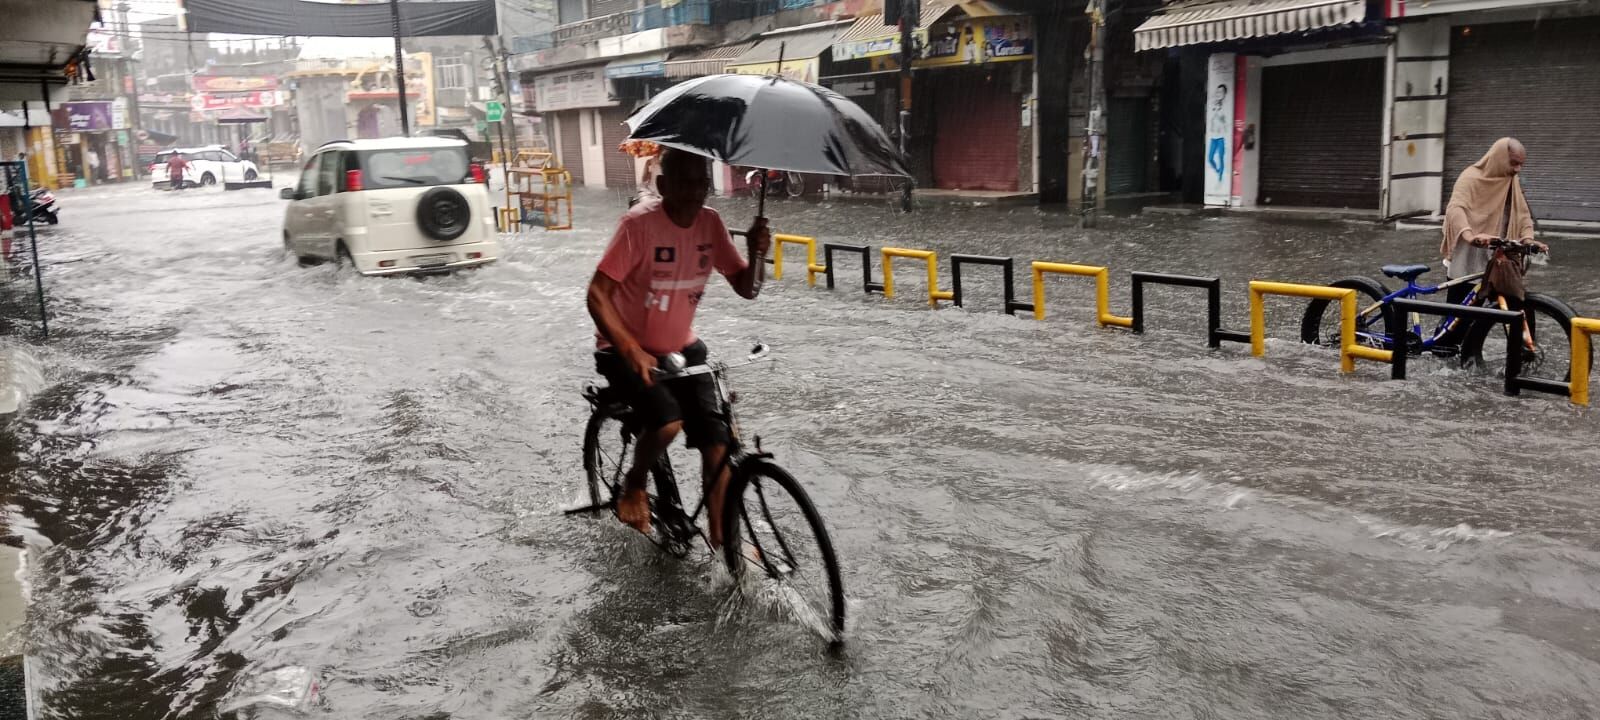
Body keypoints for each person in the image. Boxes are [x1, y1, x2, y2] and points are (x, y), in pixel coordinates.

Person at [586, 148, 772, 546]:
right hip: (623, 348)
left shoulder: (711, 223)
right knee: (667, 421)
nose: (694, 192)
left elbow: (747, 288)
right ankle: (634, 486)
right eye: (684, 183)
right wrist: (632, 350)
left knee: (718, 442)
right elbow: (597, 295)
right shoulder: (637, 226)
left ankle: (724, 545)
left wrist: (758, 254)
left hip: (682, 348)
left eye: (701, 182)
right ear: (663, 185)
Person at [1441, 137, 1548, 358]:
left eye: (1521, 164)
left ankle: (1523, 354)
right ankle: (1444, 353)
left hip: (1499, 255)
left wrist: (1528, 239)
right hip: (1469, 258)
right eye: (1514, 163)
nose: (1517, 170)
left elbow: (1522, 214)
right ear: (1500, 158)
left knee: (1519, 304)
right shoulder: (1470, 177)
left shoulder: (1511, 182)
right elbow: (1456, 209)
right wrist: (1471, 236)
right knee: (1457, 322)